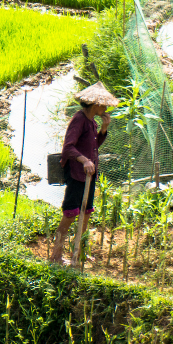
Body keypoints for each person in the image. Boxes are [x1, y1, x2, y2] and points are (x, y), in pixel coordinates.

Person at [49, 81, 119, 265]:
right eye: (104, 105)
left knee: (86, 213)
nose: (105, 108)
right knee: (70, 214)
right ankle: (55, 256)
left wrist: (104, 130)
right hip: (77, 176)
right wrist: (84, 160)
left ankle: (79, 252)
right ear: (96, 104)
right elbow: (68, 148)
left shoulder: (92, 123)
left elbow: (92, 148)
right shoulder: (79, 120)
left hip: (89, 175)